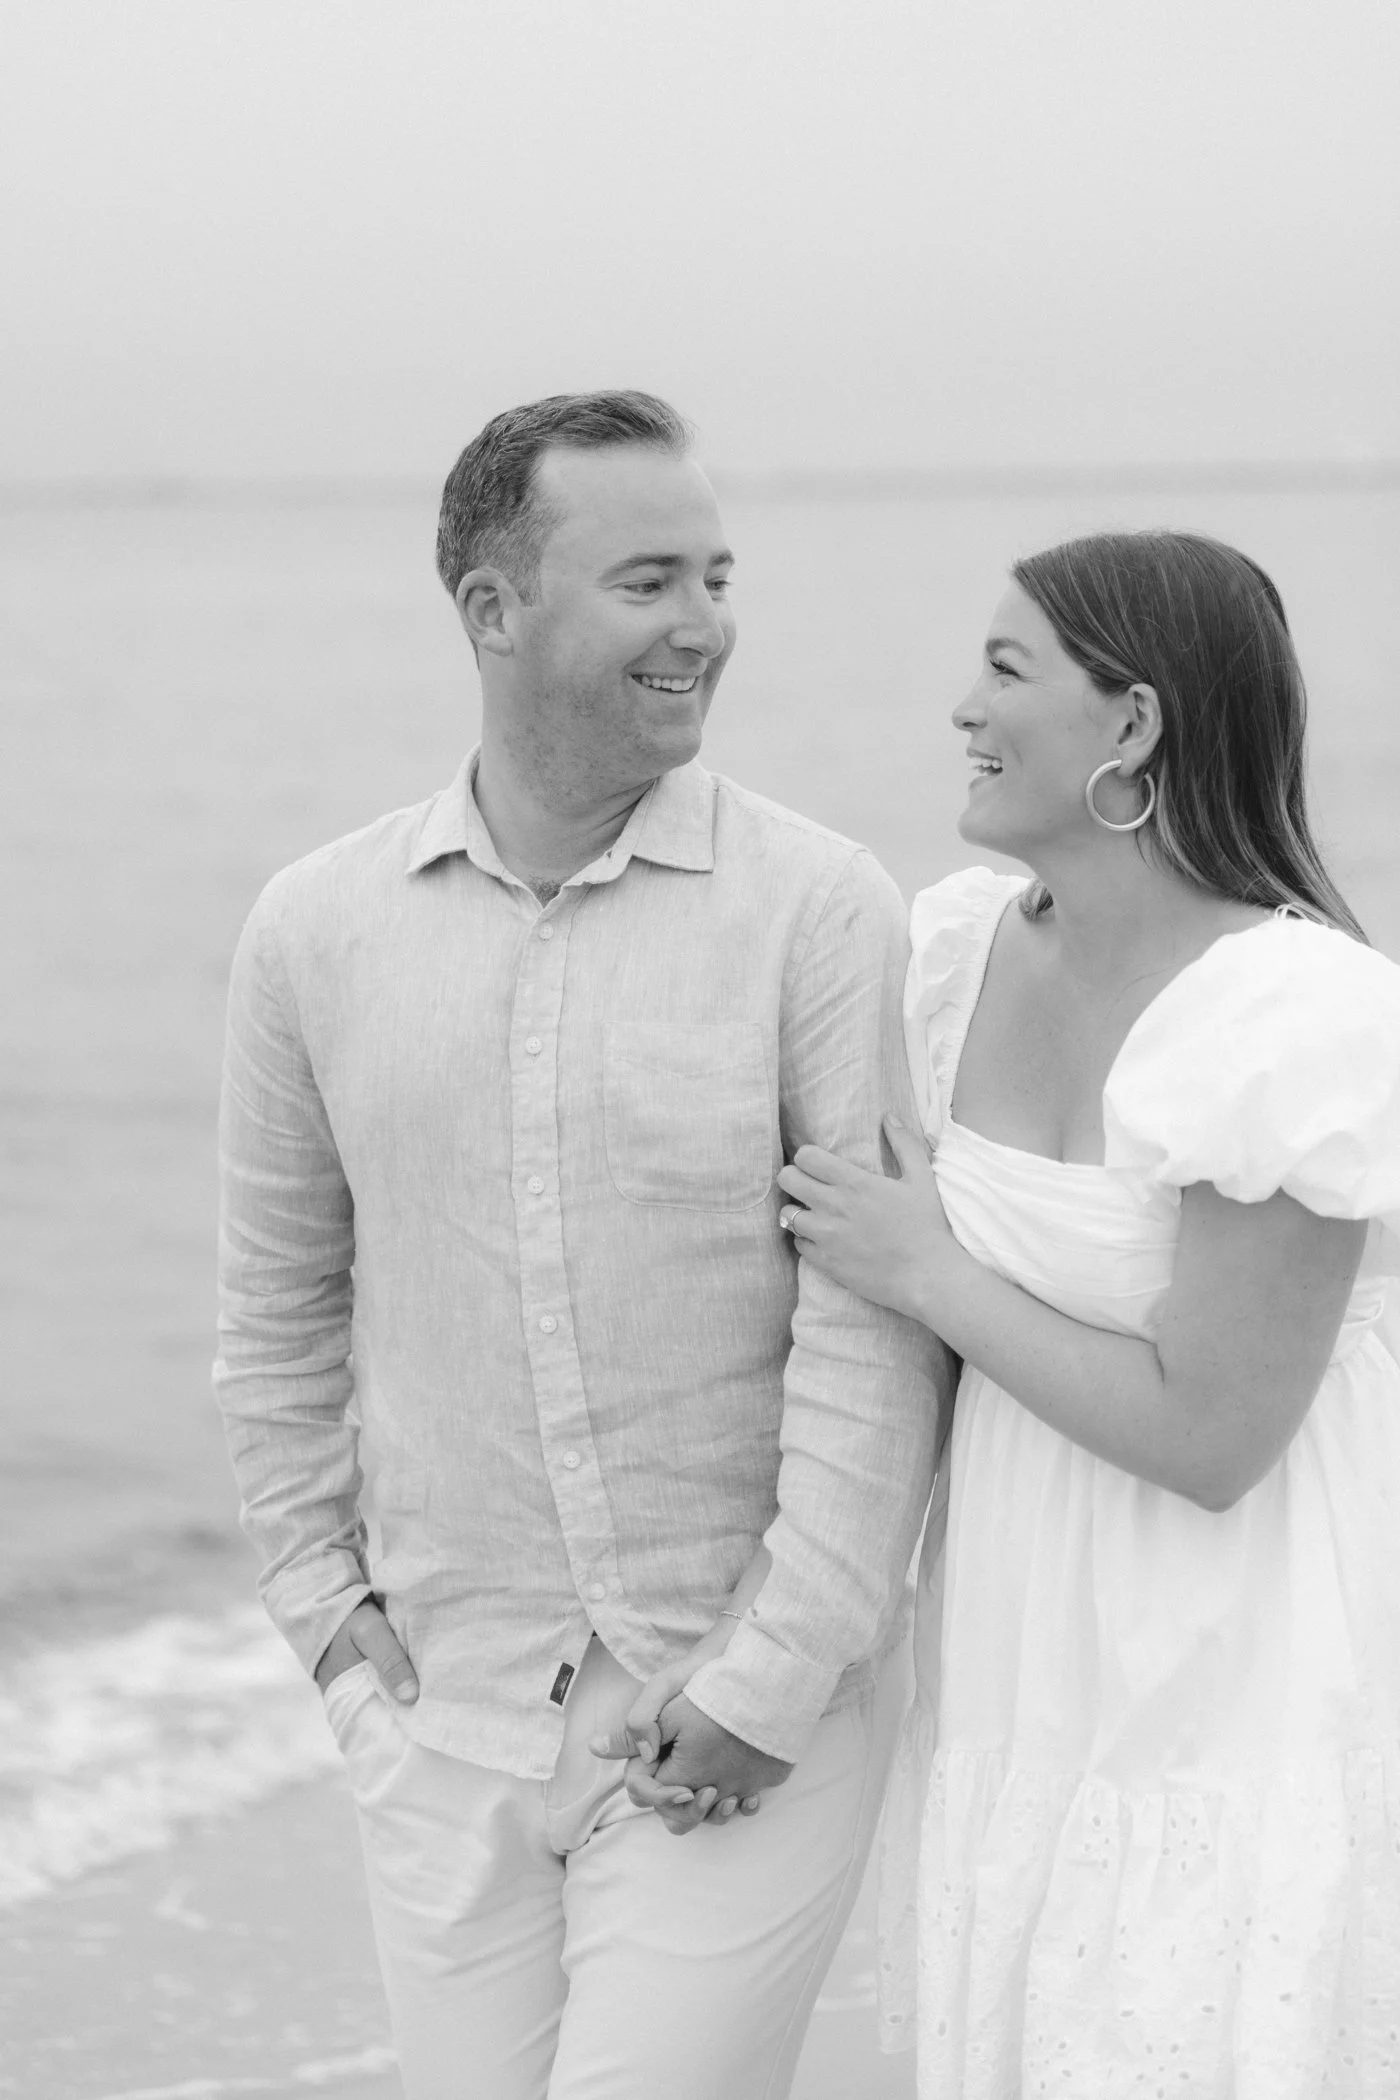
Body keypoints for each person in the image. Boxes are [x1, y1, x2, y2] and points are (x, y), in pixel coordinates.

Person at [213, 389, 949, 2100]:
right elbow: (276, 1307)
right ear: (494, 609)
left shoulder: (819, 909)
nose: (705, 625)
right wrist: (324, 1619)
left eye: (716, 576)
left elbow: (873, 1325)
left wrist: (772, 1680)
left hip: (736, 1712)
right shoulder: (314, 932)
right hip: (441, 1715)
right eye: (647, 582)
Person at [775, 532, 1400, 2098]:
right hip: (1022, 1630)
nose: (962, 709)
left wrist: (927, 1270)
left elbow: (1216, 1436)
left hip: (1240, 1643)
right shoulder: (952, 954)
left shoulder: (1289, 1017)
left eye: (1005, 670)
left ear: (1131, 723)